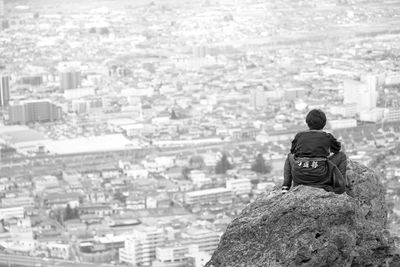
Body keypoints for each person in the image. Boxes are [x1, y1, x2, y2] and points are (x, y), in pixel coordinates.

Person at [281, 109, 347, 194]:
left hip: (299, 177)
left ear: (307, 122)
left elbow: (293, 152)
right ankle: (340, 184)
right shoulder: (327, 137)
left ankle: (286, 186)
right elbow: (337, 149)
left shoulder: (299, 135)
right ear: (324, 123)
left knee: (289, 156)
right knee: (341, 156)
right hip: (320, 177)